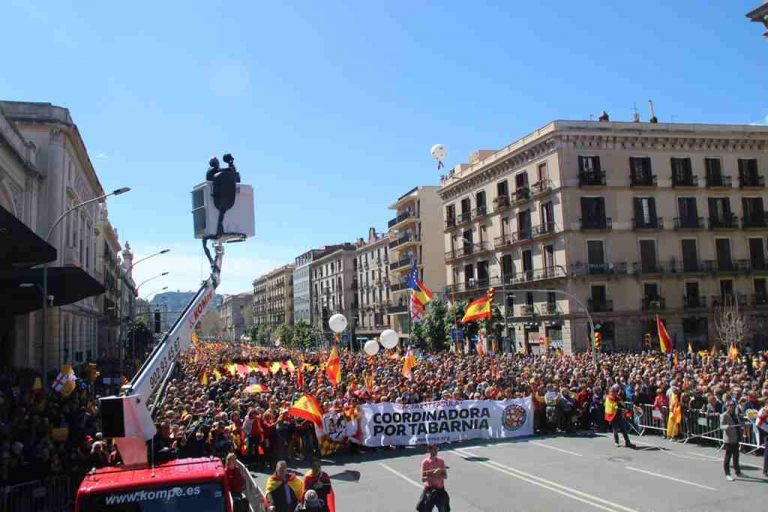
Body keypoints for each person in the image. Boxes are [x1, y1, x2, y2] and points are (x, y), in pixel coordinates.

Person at [417, 444, 450, 512]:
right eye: (434, 449)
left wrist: (437, 474)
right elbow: (423, 479)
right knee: (425, 510)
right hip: (429, 490)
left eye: (436, 449)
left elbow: (445, 476)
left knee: (443, 509)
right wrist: (434, 474)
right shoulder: (425, 462)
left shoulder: (441, 461)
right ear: (429, 450)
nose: (436, 451)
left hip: (440, 490)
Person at [720, 401, 743, 481]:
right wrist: (726, 426)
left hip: (736, 438)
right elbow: (721, 426)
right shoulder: (724, 415)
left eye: (733, 406)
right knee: (728, 456)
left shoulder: (736, 415)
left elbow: (739, 424)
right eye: (730, 406)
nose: (732, 407)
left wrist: (743, 424)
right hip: (729, 439)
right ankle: (727, 473)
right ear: (727, 406)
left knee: (736, 456)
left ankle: (737, 471)